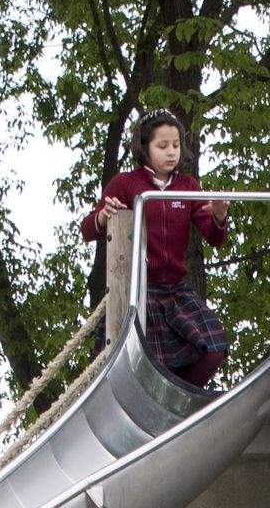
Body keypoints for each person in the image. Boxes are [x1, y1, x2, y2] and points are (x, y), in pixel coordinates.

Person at [82, 108, 231, 393]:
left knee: (214, 347)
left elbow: (214, 236)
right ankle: (156, 400)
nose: (171, 153)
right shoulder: (126, 183)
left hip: (175, 290)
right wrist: (104, 216)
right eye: (162, 146)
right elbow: (88, 230)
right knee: (146, 361)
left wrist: (219, 215)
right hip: (141, 288)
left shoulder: (188, 186)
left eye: (175, 145)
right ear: (145, 148)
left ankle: (181, 398)